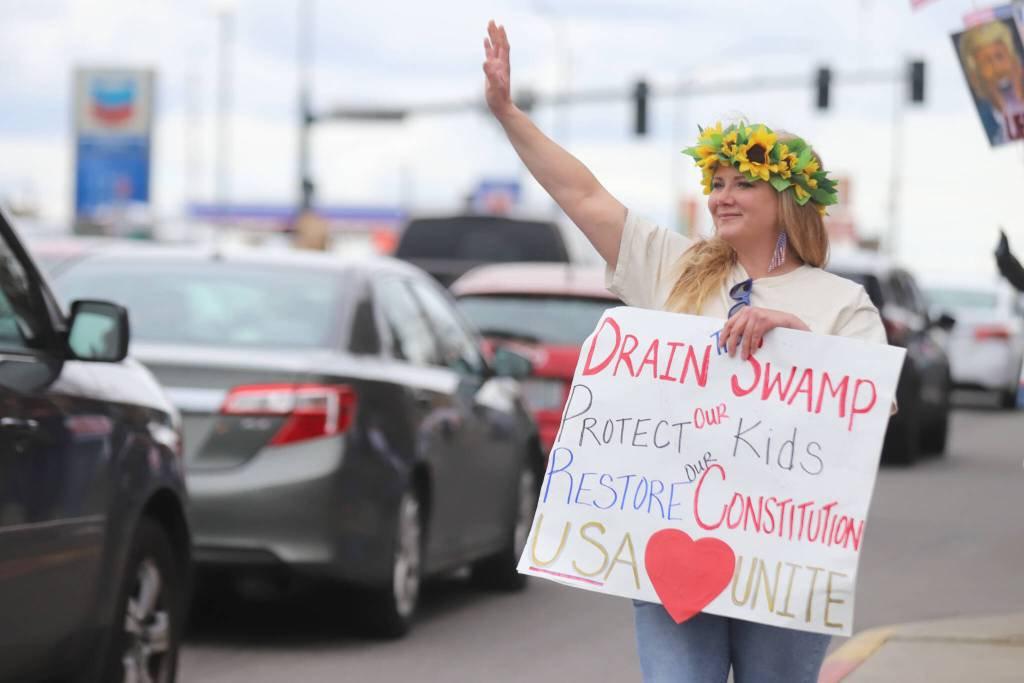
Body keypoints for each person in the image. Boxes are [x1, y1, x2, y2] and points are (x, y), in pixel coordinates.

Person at [482, 20, 888, 683]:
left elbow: (875, 410)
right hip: (673, 541)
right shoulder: (674, 266)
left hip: (783, 558)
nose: (721, 195)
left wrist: (795, 339)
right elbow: (583, 195)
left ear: (786, 197)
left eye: (741, 183)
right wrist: (507, 114)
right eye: (716, 181)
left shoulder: (842, 302)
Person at [956, 19, 1024, 145]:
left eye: (1000, 56)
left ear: (1016, 62)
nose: (997, 68)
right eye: (986, 62)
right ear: (975, 79)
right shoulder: (982, 126)